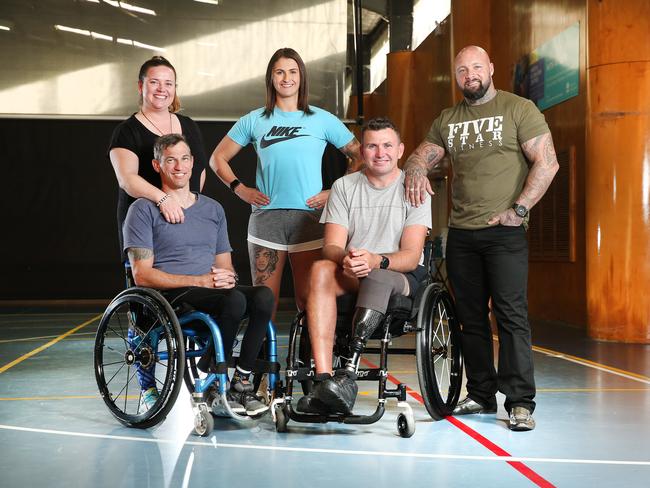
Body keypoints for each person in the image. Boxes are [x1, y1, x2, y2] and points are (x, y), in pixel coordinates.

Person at [403, 45, 559, 431]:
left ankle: (520, 403)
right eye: (461, 70)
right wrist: (417, 168)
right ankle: (482, 394)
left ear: (490, 68)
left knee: (510, 316)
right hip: (462, 234)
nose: (469, 74)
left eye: (476, 67)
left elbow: (548, 161)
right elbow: (419, 156)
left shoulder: (518, 108)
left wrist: (519, 210)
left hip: (504, 233)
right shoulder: (447, 119)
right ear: (456, 77)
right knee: (470, 319)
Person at [123, 133, 274, 417]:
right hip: (171, 295)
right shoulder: (142, 210)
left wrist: (227, 277)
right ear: (157, 166)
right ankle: (209, 377)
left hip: (212, 290)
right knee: (234, 302)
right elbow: (142, 276)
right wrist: (201, 281)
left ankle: (241, 382)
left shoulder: (212, 209)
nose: (179, 166)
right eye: (170, 160)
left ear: (193, 163)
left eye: (184, 159)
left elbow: (224, 264)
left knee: (263, 296)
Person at [209, 47, 363, 317]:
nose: (286, 78)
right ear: (271, 78)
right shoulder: (254, 120)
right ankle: (262, 360)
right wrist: (240, 189)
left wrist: (335, 192)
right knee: (264, 302)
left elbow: (359, 156)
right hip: (267, 219)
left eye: (292, 71)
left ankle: (306, 359)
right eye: (279, 72)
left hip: (310, 220)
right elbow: (217, 158)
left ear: (301, 77)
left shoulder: (322, 119)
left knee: (309, 300)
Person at [298, 117, 431, 415]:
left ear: (400, 150)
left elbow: (410, 255)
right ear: (362, 151)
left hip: (400, 275)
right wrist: (347, 258)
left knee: (378, 276)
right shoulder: (344, 187)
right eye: (371, 146)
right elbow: (331, 245)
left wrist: (375, 260)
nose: (379, 152)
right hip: (355, 269)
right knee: (320, 268)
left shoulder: (414, 188)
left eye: (386, 145)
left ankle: (348, 373)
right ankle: (324, 381)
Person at [109, 56, 207, 259]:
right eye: (154, 82)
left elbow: (199, 171)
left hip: (186, 220)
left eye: (168, 83)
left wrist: (187, 206)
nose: (162, 89)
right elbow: (127, 179)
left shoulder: (189, 125)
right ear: (140, 86)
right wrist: (164, 200)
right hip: (146, 225)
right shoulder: (127, 131)